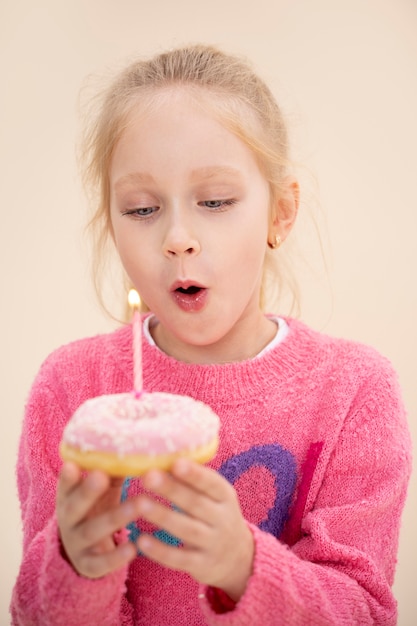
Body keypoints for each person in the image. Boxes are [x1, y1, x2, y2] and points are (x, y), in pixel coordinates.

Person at [11, 44, 411, 626]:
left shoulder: (354, 393)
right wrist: (76, 565)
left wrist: (244, 566)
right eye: (142, 209)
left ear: (280, 213)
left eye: (216, 201)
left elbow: (366, 612)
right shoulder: (71, 389)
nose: (177, 237)